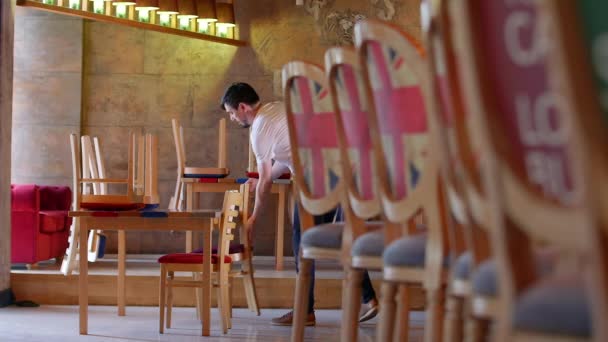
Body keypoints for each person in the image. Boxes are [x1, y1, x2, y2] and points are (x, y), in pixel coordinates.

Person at [220, 82, 379, 326]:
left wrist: (253, 219)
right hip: (345, 171)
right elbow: (286, 157)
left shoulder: (259, 128)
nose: (232, 118)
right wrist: (265, 178)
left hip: (318, 178)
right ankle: (369, 299)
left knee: (302, 240)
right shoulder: (276, 109)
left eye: (232, 112)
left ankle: (305, 310)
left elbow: (264, 183)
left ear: (243, 107)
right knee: (341, 237)